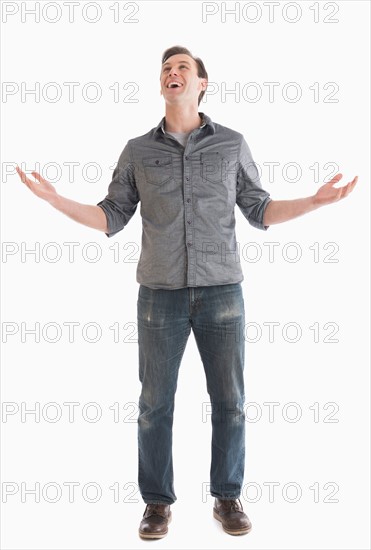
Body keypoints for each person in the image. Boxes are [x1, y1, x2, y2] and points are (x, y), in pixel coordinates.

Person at [16, 45, 357, 540]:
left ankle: (228, 497)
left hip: (223, 293)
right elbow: (110, 216)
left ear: (202, 84)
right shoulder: (137, 150)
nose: (172, 74)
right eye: (165, 70)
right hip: (160, 295)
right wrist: (54, 199)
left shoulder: (232, 144)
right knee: (155, 403)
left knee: (231, 400)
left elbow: (259, 209)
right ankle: (157, 504)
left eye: (182, 68)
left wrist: (314, 201)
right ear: (162, 85)